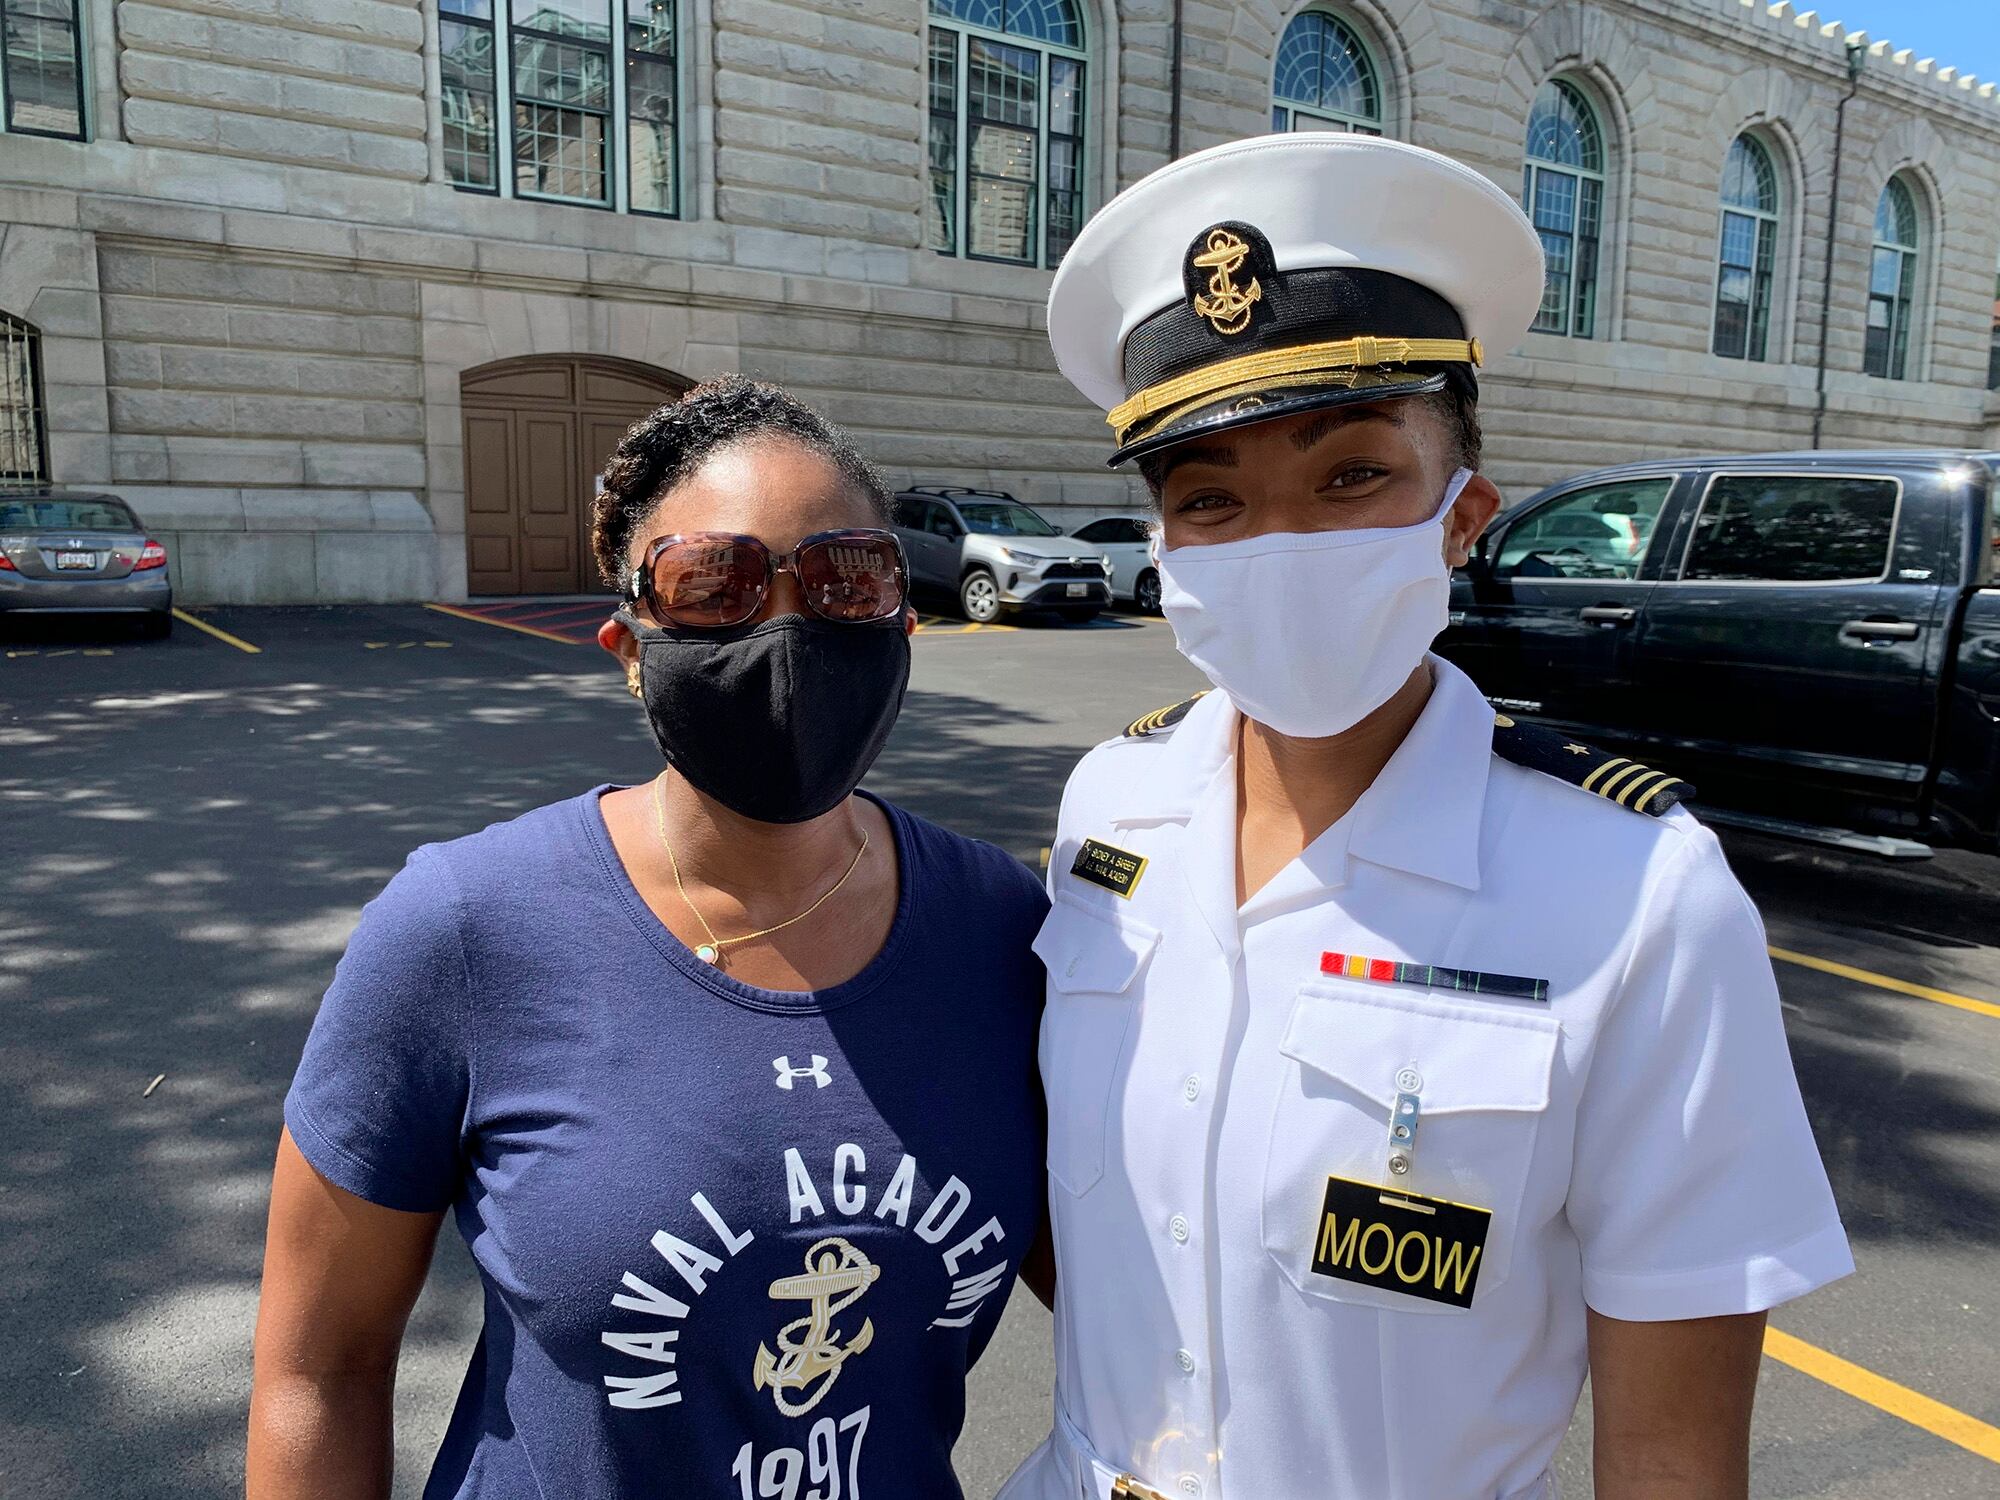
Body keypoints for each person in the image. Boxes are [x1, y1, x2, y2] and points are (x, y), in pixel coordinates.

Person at [1000, 135, 1852, 1500]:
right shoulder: (1116, 805)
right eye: (1209, 500)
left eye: (1350, 478)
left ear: (1466, 517)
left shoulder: (1635, 894)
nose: (1278, 541)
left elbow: (1673, 1455)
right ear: (1162, 554)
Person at [249, 376, 1050, 1499]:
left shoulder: (1003, 931)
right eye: (712, 585)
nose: (785, 628)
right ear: (628, 643)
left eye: (843, 576)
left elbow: (1151, 1296)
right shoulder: (467, 929)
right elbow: (317, 1374)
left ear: (901, 613)